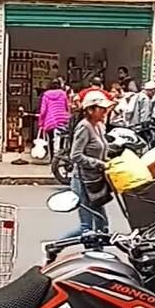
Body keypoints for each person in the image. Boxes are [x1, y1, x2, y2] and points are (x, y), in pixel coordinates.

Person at [68, 90, 113, 237]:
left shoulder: (99, 126)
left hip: (95, 181)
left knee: (102, 225)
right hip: (82, 181)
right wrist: (99, 163)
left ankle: (97, 254)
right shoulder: (84, 127)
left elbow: (102, 149)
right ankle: (53, 248)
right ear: (90, 110)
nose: (105, 112)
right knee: (86, 228)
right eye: (101, 109)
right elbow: (75, 155)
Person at [38, 77, 72, 155]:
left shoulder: (46, 95)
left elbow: (43, 110)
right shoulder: (63, 93)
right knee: (62, 137)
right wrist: (68, 116)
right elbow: (67, 107)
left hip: (51, 120)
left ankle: (52, 158)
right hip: (62, 119)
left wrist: (41, 122)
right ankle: (60, 155)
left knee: (51, 139)